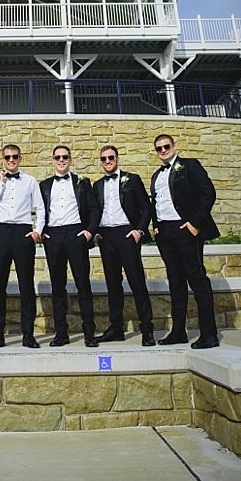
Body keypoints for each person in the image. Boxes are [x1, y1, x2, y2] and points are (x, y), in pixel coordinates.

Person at [150, 134, 220, 349]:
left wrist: (194, 223)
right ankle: (178, 331)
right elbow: (157, 202)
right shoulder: (156, 175)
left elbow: (207, 193)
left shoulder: (190, 166)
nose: (163, 151)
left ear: (174, 146)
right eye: (159, 148)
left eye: (166, 146)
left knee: (197, 279)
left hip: (186, 229)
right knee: (176, 283)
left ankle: (209, 334)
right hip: (166, 233)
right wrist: (156, 226)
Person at [91, 145, 156, 346]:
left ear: (117, 158)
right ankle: (116, 328)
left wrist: (139, 230)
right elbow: (94, 211)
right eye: (103, 159)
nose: (107, 161)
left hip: (127, 233)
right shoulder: (97, 185)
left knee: (137, 282)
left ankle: (147, 329)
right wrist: (96, 233)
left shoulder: (132, 179)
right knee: (113, 284)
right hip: (106, 237)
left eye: (111, 157)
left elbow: (146, 207)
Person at [0, 144, 45, 349]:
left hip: (22, 232)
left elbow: (40, 207)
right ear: (2, 159)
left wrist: (37, 231)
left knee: (26, 285)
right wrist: (1, 183)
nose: (11, 160)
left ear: (21, 158)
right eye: (7, 157)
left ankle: (28, 334)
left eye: (14, 156)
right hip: (0, 233)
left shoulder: (30, 181)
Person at [38, 146, 100, 347]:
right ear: (53, 160)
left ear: (70, 160)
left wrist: (89, 231)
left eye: (65, 157)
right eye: (58, 157)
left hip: (76, 234)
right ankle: (61, 333)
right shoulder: (44, 185)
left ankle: (89, 334)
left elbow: (93, 209)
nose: (61, 160)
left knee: (83, 284)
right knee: (58, 286)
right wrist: (42, 232)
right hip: (53, 236)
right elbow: (39, 209)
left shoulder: (83, 182)